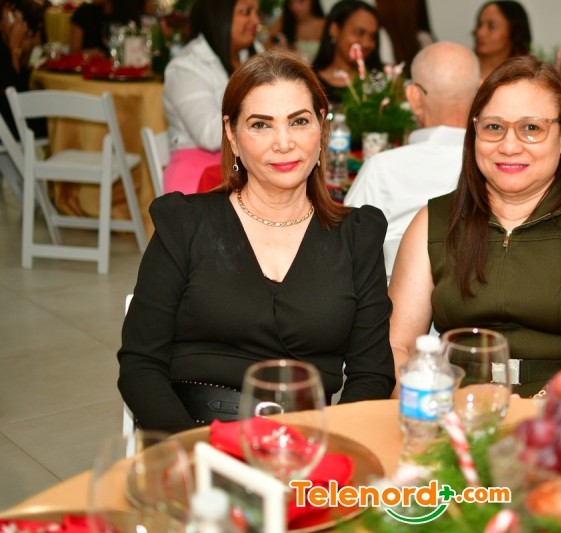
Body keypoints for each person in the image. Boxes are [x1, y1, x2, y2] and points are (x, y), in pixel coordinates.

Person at [118, 50, 396, 434]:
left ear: (322, 127)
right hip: (193, 433)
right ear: (232, 134)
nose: (283, 142)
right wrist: (192, 452)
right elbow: (140, 365)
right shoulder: (186, 224)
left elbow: (372, 374)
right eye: (261, 125)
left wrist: (330, 445)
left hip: (305, 442)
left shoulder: (357, 235)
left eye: (299, 121)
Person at [388, 56, 561, 397]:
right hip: (453, 406)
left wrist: (547, 406)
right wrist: (435, 404)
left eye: (531, 128)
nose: (509, 146)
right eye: (493, 127)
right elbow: (396, 346)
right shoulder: (434, 222)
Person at [344, 41, 480, 279]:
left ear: (414, 97)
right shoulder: (495, 166)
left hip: (389, 297)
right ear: (481, 94)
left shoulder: (382, 168)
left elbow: (344, 250)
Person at [161, 0, 262, 195]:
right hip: (198, 175)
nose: (256, 21)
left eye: (256, 13)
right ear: (220, 16)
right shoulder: (186, 67)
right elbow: (209, 134)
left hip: (248, 168)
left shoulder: (253, 53)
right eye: (246, 12)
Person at [311, 0, 381, 106]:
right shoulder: (310, 83)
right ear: (334, 29)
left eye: (372, 37)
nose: (367, 43)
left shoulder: (381, 81)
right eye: (359, 32)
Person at [1, 0, 45, 140]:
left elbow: (21, 79)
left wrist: (22, 53)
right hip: (9, 126)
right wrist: (15, 47)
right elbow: (12, 93)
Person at [472, 0, 531, 81]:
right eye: (479, 24)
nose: (480, 33)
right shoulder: (464, 68)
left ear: (514, 32)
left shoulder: (527, 76)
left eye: (491, 26)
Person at [69, 0, 146, 56]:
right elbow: (73, 53)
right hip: (86, 70)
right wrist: (86, 54)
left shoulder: (130, 18)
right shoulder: (84, 12)